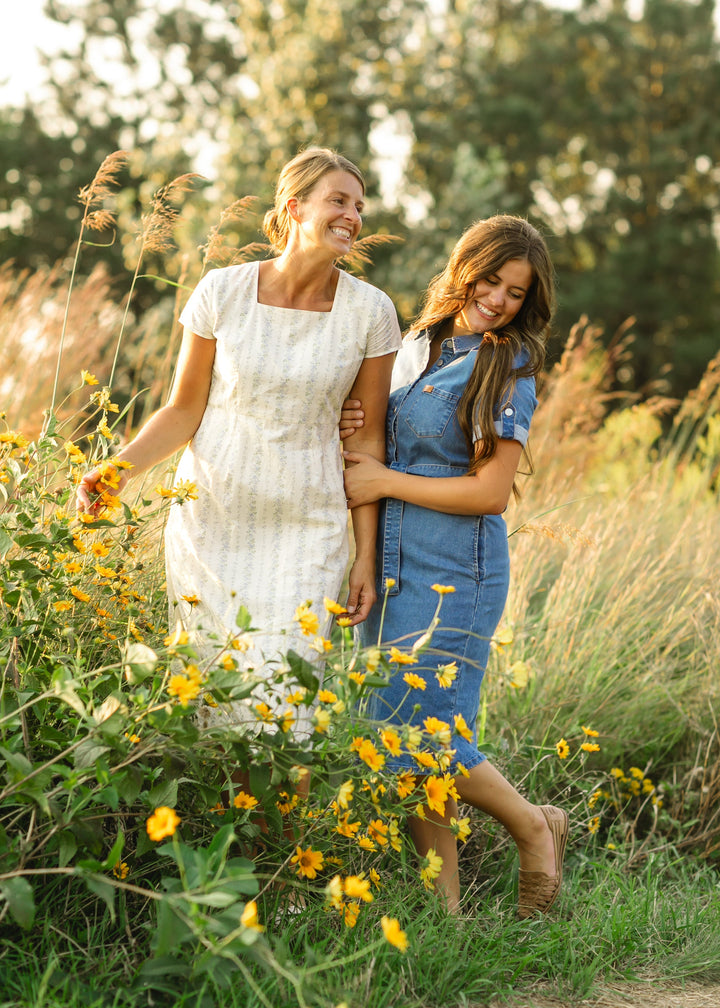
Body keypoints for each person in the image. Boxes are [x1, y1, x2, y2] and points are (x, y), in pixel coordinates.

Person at [77, 147, 401, 733]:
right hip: (213, 523)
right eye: (338, 201)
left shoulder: (372, 313)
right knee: (210, 702)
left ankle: (284, 829)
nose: (353, 216)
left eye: (359, 205)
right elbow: (182, 410)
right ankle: (219, 823)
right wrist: (117, 470)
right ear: (293, 206)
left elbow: (368, 443)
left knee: (287, 711)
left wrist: (366, 558)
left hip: (309, 528)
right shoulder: (221, 292)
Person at [340, 215, 568, 918]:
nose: (498, 300)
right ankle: (444, 914)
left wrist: (383, 480)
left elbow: (490, 492)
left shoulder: (510, 365)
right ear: (464, 265)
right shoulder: (413, 344)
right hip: (392, 559)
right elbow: (377, 437)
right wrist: (350, 422)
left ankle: (533, 826)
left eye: (515, 292)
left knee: (427, 733)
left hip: (458, 568)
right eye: (491, 280)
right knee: (395, 740)